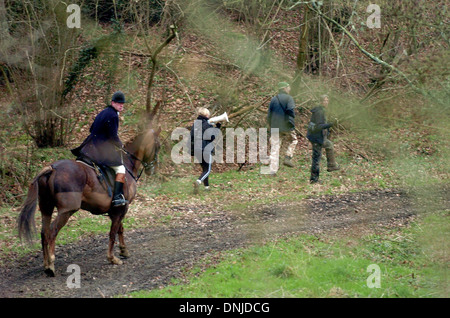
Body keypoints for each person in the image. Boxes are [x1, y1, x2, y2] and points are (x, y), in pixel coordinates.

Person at [71, 91, 128, 207]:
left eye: (122, 103)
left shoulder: (103, 112)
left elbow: (91, 129)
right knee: (121, 169)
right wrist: (120, 146)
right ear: (112, 102)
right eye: (118, 103)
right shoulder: (113, 115)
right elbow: (113, 136)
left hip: (89, 145)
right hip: (100, 148)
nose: (121, 105)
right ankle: (117, 197)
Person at [306, 94, 340, 184]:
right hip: (316, 137)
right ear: (321, 102)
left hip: (319, 137)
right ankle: (314, 179)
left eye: (327, 100)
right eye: (324, 100)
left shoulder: (321, 110)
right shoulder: (319, 112)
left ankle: (331, 165)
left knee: (329, 145)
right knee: (316, 159)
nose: (326, 102)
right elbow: (318, 126)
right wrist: (330, 124)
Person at [267, 82, 298, 173]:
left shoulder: (273, 99)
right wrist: (292, 117)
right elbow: (290, 110)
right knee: (294, 140)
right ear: (284, 88)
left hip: (275, 127)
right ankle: (288, 157)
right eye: (288, 87)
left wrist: (271, 125)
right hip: (286, 126)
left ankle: (273, 170)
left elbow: (269, 115)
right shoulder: (289, 98)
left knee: (275, 147)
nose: (289, 89)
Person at [190, 107, 221, 194]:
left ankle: (207, 187)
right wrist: (218, 127)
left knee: (204, 168)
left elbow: (192, 136)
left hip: (196, 149)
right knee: (207, 170)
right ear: (206, 115)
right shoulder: (207, 124)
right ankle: (198, 181)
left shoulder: (195, 124)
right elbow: (212, 137)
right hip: (206, 148)